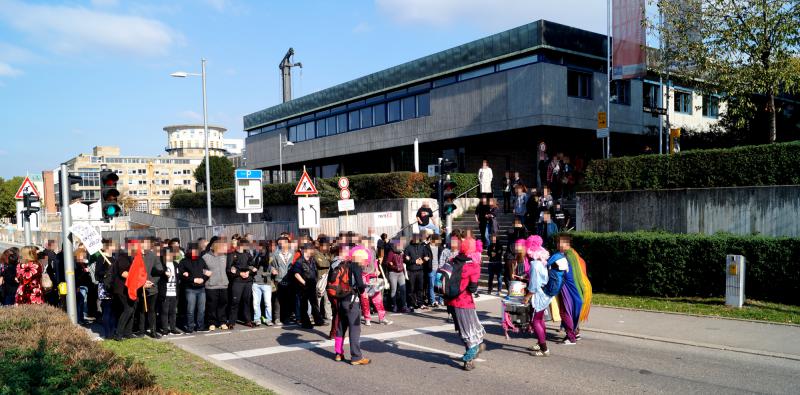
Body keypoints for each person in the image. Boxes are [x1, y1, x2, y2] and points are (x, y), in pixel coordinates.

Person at [444, 236, 485, 371]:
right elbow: (473, 288)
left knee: (463, 330)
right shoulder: (473, 265)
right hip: (464, 302)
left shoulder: (452, 260)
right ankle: (470, 357)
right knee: (469, 330)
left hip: (451, 301)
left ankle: (473, 351)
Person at [332, 246, 370, 365]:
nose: (365, 262)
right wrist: (365, 287)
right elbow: (359, 284)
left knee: (341, 327)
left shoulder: (341, 264)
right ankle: (356, 357)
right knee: (355, 329)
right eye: (364, 259)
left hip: (340, 299)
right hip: (352, 300)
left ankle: (338, 353)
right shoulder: (355, 266)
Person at [553, 234, 592, 345]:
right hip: (578, 288)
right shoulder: (574, 255)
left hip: (570, 289)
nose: (557, 245)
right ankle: (576, 332)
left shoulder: (566, 257)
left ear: (567, 244)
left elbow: (562, 274)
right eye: (557, 242)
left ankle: (571, 337)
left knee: (565, 311)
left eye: (559, 243)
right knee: (572, 310)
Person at [522, 235, 557, 357]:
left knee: (535, 321)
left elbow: (534, 285)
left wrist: (527, 296)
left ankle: (544, 348)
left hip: (539, 295)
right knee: (540, 319)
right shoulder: (542, 262)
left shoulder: (535, 265)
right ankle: (540, 342)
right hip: (545, 292)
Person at [291, 243, 323, 328]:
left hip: (312, 285)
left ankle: (318, 321)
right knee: (304, 305)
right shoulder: (299, 261)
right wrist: (304, 283)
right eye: (311, 249)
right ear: (306, 250)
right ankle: (306, 323)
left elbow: (315, 271)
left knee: (314, 304)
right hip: (303, 287)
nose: (312, 251)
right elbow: (296, 274)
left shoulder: (312, 260)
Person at [136, 239, 163, 339]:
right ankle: (141, 331)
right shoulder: (136, 256)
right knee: (141, 310)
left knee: (152, 310)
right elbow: (134, 272)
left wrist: (151, 282)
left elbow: (159, 271)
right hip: (140, 287)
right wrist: (141, 283)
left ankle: (153, 331)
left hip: (151, 288)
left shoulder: (154, 256)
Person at [357, 247, 391, 326]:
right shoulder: (359, 251)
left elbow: (375, 261)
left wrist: (377, 269)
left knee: (378, 298)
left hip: (373, 276)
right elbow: (357, 264)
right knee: (364, 299)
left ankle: (382, 318)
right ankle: (367, 318)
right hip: (363, 276)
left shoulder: (372, 250)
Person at [179, 242, 208, 333]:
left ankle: (200, 326)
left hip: (201, 288)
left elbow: (207, 272)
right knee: (190, 310)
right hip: (190, 289)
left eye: (196, 250)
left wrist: (203, 279)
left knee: (201, 310)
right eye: (193, 250)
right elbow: (181, 275)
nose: (195, 252)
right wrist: (193, 280)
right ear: (189, 251)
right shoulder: (184, 261)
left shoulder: (201, 260)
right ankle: (190, 327)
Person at [204, 237, 230, 331]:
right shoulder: (206, 257)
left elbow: (228, 268)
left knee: (223, 304)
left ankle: (222, 322)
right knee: (212, 305)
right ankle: (211, 322)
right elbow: (201, 268)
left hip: (223, 284)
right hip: (211, 285)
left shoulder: (224, 256)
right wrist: (204, 272)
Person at [228, 238, 255, 329]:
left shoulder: (248, 254)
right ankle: (231, 321)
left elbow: (253, 266)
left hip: (248, 281)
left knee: (247, 301)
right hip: (237, 281)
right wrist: (239, 273)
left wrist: (249, 272)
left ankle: (248, 320)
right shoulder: (232, 255)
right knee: (235, 301)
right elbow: (228, 269)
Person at [94, 240, 117, 339]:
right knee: (107, 309)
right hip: (104, 287)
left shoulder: (114, 258)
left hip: (113, 286)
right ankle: (107, 333)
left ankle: (112, 331)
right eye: (113, 246)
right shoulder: (101, 258)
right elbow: (97, 273)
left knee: (113, 310)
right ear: (108, 247)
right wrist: (106, 272)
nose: (115, 247)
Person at [114, 240, 137, 339]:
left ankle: (128, 333)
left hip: (130, 288)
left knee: (131, 309)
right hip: (122, 288)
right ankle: (118, 334)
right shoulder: (123, 257)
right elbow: (123, 273)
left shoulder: (131, 258)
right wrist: (136, 278)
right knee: (128, 309)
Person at [403, 233, 430, 310]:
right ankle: (411, 304)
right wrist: (414, 261)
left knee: (420, 288)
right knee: (411, 288)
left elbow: (426, 256)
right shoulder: (408, 248)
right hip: (411, 271)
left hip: (420, 271)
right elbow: (405, 260)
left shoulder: (422, 247)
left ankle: (420, 303)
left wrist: (424, 260)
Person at [271, 236, 294, 325]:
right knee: (277, 300)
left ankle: (286, 318)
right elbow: (270, 264)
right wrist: (272, 269)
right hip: (278, 279)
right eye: (279, 243)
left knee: (288, 299)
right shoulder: (275, 254)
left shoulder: (293, 253)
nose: (280, 244)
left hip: (290, 279)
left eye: (282, 242)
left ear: (287, 243)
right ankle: (277, 318)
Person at [158, 248, 181, 335]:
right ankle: (164, 329)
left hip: (174, 291)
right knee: (164, 311)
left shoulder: (175, 264)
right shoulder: (161, 265)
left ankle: (173, 328)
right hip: (165, 292)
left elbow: (179, 276)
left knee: (173, 311)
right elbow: (157, 272)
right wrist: (164, 273)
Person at [250, 241, 274, 326]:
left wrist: (268, 273)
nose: (259, 249)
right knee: (256, 303)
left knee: (267, 303)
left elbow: (273, 268)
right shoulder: (256, 255)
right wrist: (252, 268)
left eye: (261, 247)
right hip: (256, 283)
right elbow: (250, 265)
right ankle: (257, 319)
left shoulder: (270, 256)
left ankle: (268, 319)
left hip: (266, 283)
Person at [385, 238, 409, 313]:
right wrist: (391, 265)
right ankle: (394, 305)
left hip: (401, 273)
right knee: (393, 290)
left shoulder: (401, 252)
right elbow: (387, 262)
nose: (401, 246)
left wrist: (406, 258)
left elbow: (404, 259)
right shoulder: (391, 252)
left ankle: (404, 306)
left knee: (403, 290)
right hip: (393, 273)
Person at [315, 237, 333, 322]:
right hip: (320, 279)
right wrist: (329, 262)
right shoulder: (316, 253)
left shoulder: (327, 254)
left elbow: (332, 262)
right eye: (326, 246)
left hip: (327, 279)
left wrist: (329, 261)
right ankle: (317, 315)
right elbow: (321, 263)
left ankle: (328, 315)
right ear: (321, 246)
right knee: (318, 298)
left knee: (327, 298)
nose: (327, 247)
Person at [74, 246, 92, 324]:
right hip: (80, 285)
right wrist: (84, 271)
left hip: (84, 285)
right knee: (80, 303)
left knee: (81, 303)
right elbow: (76, 277)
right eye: (82, 255)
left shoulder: (82, 264)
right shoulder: (76, 265)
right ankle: (79, 319)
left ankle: (81, 318)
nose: (84, 256)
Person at [426, 234, 443, 307]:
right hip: (431, 269)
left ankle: (440, 300)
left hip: (439, 269)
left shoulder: (439, 248)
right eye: (438, 239)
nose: (439, 241)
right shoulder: (426, 247)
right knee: (431, 286)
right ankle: (432, 301)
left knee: (439, 286)